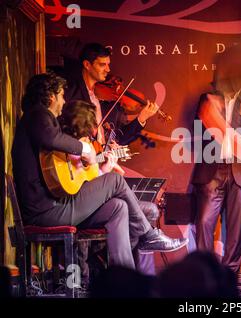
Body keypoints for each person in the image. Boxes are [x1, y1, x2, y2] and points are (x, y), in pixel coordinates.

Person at [11, 73, 188, 278]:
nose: (64, 100)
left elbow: (60, 167)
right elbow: (51, 137)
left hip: (57, 204)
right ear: (50, 96)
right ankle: (148, 234)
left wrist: (93, 163)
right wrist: (84, 150)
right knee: (114, 180)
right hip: (47, 211)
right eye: (61, 95)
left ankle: (125, 280)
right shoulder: (37, 115)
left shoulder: (43, 122)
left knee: (118, 207)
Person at [192, 88, 241, 273]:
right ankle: (204, 275)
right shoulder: (208, 98)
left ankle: (230, 278)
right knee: (204, 222)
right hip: (213, 169)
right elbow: (200, 128)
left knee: (235, 230)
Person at [64, 42, 156, 146]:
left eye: (108, 64)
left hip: (102, 159)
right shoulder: (72, 95)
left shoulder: (107, 102)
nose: (108, 69)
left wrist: (141, 118)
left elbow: (119, 139)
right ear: (87, 65)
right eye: (102, 65)